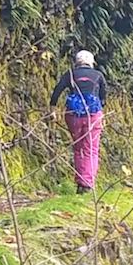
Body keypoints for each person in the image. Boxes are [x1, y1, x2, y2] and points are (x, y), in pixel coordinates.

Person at [49, 50, 107, 194]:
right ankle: (87, 184)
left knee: (78, 147)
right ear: (91, 62)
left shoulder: (70, 74)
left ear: (77, 62)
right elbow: (103, 98)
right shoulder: (99, 75)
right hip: (93, 115)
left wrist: (52, 110)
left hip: (73, 115)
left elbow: (57, 91)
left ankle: (81, 181)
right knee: (91, 149)